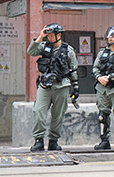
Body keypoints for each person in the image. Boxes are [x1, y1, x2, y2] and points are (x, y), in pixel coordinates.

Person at [27, 23, 79, 151]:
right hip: (45, 86)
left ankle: (53, 141)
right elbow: (31, 51)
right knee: (38, 111)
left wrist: (75, 88)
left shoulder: (68, 50)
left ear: (59, 35)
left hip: (62, 86)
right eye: (48, 35)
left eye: (51, 35)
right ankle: (38, 140)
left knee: (58, 115)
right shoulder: (44, 47)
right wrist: (41, 36)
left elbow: (73, 70)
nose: (49, 38)